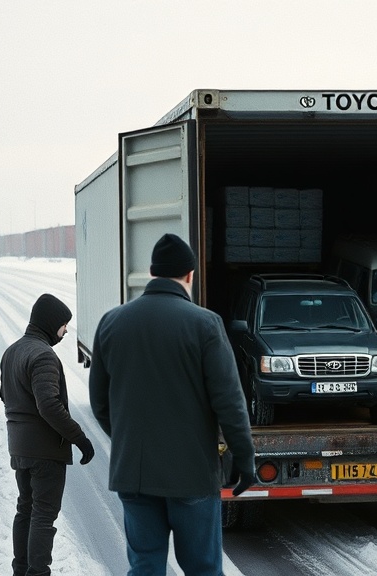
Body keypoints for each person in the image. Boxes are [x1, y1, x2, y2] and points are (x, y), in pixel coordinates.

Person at [88, 233, 256, 575]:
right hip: (192, 474)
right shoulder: (206, 325)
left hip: (133, 475)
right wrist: (244, 457)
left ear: (152, 272)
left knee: (145, 566)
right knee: (202, 569)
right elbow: (230, 403)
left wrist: (129, 441)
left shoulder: (111, 322)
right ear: (190, 276)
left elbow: (100, 404)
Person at [0, 293, 96, 576]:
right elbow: (49, 405)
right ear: (51, 323)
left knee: (25, 510)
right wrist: (80, 438)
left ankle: (21, 571)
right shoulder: (43, 355)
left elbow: (6, 395)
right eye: (64, 325)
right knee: (43, 515)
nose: (66, 331)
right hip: (45, 452)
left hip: (19, 448)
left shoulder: (13, 351)